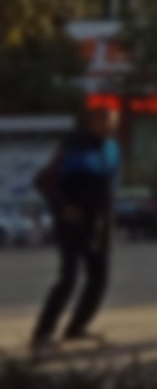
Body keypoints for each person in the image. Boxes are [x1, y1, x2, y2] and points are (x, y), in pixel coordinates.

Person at [30, 108, 117, 353]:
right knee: (68, 278)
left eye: (113, 121)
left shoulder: (112, 148)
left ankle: (76, 328)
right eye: (105, 121)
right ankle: (42, 333)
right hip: (72, 223)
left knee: (99, 278)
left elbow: (109, 185)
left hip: (100, 222)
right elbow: (43, 181)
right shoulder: (71, 147)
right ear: (92, 121)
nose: (110, 125)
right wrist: (64, 207)